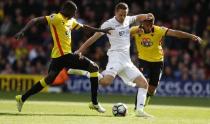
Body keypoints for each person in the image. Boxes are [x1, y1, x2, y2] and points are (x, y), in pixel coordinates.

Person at [15, 0, 112, 113]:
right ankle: (94, 103)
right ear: (67, 10)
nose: (75, 14)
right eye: (74, 12)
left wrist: (101, 30)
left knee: (49, 79)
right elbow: (35, 20)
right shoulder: (56, 18)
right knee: (94, 68)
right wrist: (23, 31)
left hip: (59, 57)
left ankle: (22, 98)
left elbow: (84, 27)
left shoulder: (70, 21)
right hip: (63, 56)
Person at [74, 2, 153, 117]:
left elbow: (138, 17)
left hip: (127, 61)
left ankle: (139, 111)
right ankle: (84, 71)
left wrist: (148, 15)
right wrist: (80, 50)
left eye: (125, 14)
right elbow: (93, 38)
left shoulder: (128, 20)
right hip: (115, 58)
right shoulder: (109, 24)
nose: (123, 17)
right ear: (116, 12)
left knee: (144, 84)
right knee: (106, 82)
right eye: (121, 15)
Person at [130, 13, 202, 107]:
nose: (148, 25)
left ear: (153, 23)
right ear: (142, 22)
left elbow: (175, 33)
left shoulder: (159, 30)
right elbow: (121, 34)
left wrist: (191, 36)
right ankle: (138, 108)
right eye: (146, 22)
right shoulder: (135, 30)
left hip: (157, 61)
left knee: (152, 89)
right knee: (144, 83)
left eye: (150, 23)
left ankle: (147, 98)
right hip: (144, 61)